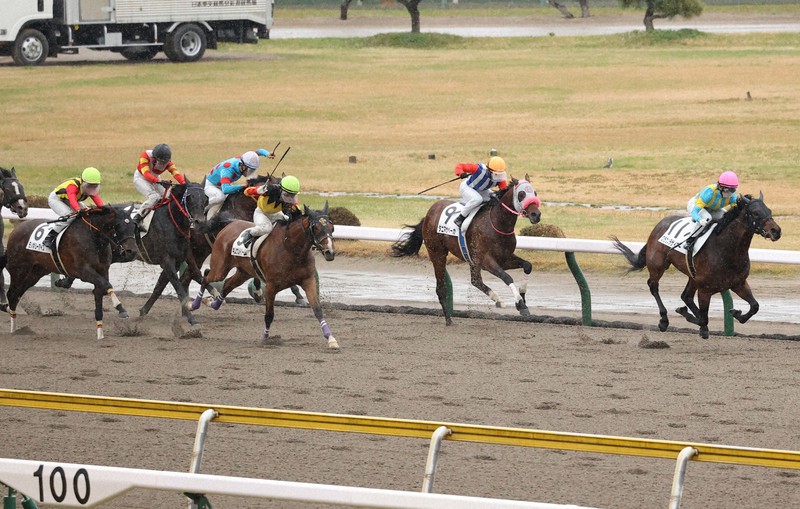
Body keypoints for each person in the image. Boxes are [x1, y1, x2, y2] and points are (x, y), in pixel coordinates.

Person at [43, 167, 105, 249]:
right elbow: (72, 200)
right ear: (83, 182)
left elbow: (97, 200)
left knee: (88, 214)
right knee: (69, 216)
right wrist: (78, 210)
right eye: (89, 185)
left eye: (94, 186)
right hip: (57, 199)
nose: (91, 188)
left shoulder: (88, 187)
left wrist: (105, 209)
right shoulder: (72, 186)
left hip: (70, 199)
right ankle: (49, 237)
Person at [205, 148, 274, 219]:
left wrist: (267, 154)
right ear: (242, 166)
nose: (251, 172)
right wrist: (240, 186)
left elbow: (258, 152)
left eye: (253, 170)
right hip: (212, 186)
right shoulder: (228, 170)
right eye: (250, 170)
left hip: (223, 184)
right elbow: (225, 189)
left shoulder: (244, 160)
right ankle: (205, 212)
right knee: (220, 198)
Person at [132, 143, 185, 230]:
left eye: (166, 162)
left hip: (156, 179)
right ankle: (137, 218)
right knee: (154, 197)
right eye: (162, 162)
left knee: (168, 197)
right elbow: (146, 174)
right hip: (141, 178)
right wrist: (159, 181)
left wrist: (185, 183)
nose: (164, 164)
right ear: (154, 158)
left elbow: (176, 174)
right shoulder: (145, 156)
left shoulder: (169, 163)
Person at [240, 175, 301, 247]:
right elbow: (246, 192)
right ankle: (249, 233)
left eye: (292, 195)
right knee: (266, 228)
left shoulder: (291, 199)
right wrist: (258, 190)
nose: (290, 199)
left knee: (290, 222)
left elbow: (297, 210)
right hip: (261, 213)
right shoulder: (269, 190)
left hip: (276, 213)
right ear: (281, 189)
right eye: (287, 195)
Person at [685, 170, 739, 249]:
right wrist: (699, 219)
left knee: (726, 218)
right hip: (695, 205)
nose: (730, 194)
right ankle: (690, 240)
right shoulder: (709, 192)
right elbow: (694, 211)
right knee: (707, 218)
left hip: (712, 208)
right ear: (720, 187)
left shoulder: (733, 197)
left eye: (733, 190)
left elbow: (736, 213)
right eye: (727, 190)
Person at [451, 156, 508, 230]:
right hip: (467, 187)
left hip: (482, 190)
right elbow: (459, 166)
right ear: (489, 170)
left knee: (495, 199)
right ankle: (460, 218)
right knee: (477, 199)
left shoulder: (500, 179)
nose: (498, 177)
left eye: (500, 174)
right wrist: (461, 173)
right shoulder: (478, 168)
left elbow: (504, 191)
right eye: (496, 174)